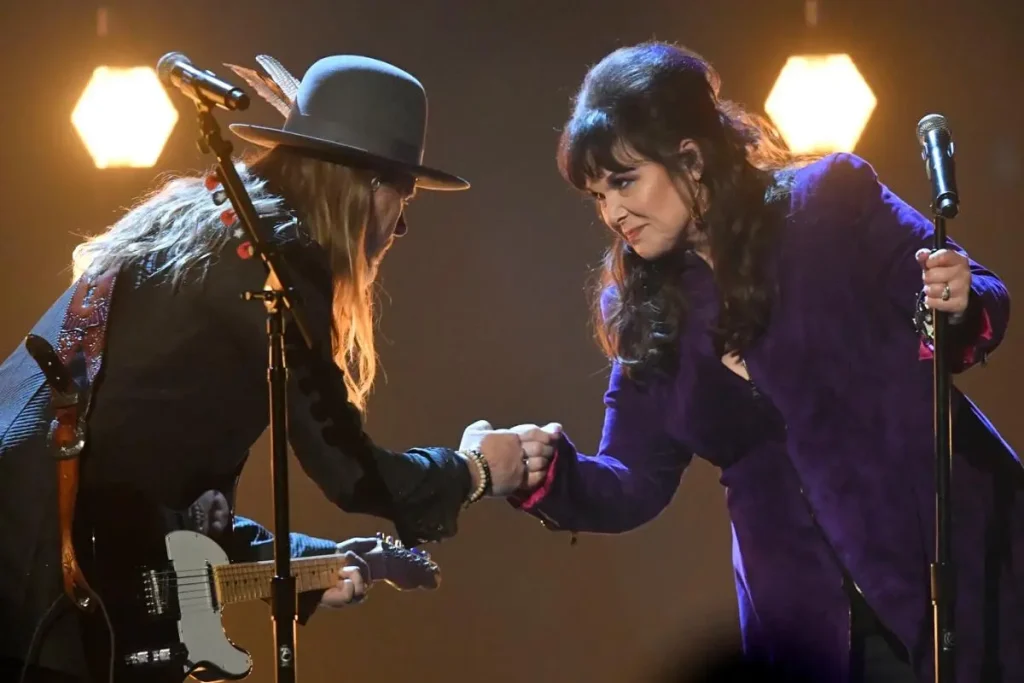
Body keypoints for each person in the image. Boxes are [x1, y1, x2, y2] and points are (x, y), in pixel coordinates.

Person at [0, 53, 556, 682]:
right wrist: (477, 469)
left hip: (42, 563)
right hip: (43, 598)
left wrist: (306, 564)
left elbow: (155, 489)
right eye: (403, 197)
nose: (400, 226)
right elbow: (350, 470)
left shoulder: (197, 221)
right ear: (368, 187)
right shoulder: (274, 258)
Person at [509, 42, 1023, 682]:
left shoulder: (830, 201)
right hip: (809, 626)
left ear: (690, 159)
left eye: (623, 180)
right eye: (596, 195)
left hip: (953, 563)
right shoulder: (646, 315)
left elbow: (977, 295)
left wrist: (957, 297)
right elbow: (629, 479)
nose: (612, 213)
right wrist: (543, 473)